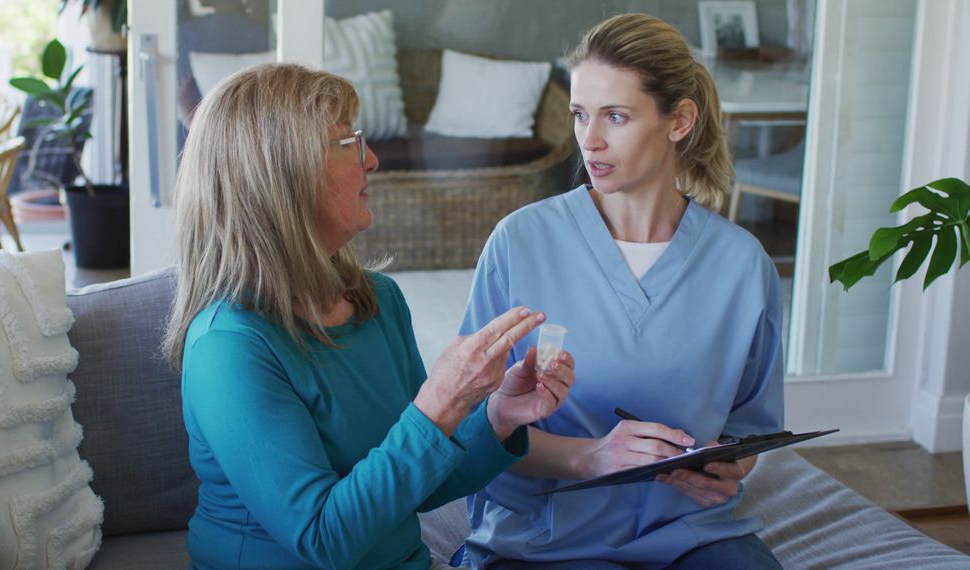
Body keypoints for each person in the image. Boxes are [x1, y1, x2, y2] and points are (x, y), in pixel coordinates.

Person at [160, 63, 576, 570]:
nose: (373, 159)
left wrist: (498, 415)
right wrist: (438, 405)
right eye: (347, 143)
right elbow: (321, 539)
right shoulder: (229, 347)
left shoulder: (377, 301)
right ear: (281, 174)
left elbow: (419, 483)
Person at [457, 13, 784, 569]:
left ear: (679, 121)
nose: (590, 139)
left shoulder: (741, 264)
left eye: (616, 116)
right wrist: (591, 458)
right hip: (544, 537)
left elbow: (750, 427)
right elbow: (468, 423)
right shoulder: (522, 241)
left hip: (691, 532)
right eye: (581, 115)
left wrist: (729, 467)